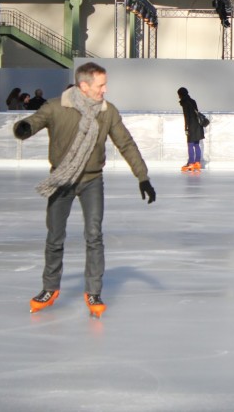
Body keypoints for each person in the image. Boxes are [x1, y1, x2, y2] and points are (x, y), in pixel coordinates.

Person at [13, 62, 156, 318]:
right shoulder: (58, 107)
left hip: (92, 180)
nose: (105, 90)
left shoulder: (107, 112)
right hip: (62, 180)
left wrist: (142, 176)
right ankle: (50, 288)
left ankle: (93, 291)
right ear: (84, 86)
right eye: (101, 85)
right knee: (55, 237)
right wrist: (25, 128)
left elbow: (126, 143)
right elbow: (37, 119)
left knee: (94, 235)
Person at [177, 87, 206, 172]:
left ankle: (191, 163)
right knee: (196, 144)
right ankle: (197, 163)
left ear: (180, 94)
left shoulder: (184, 102)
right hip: (198, 125)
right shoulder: (193, 101)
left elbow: (187, 116)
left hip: (191, 126)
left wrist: (186, 128)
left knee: (190, 144)